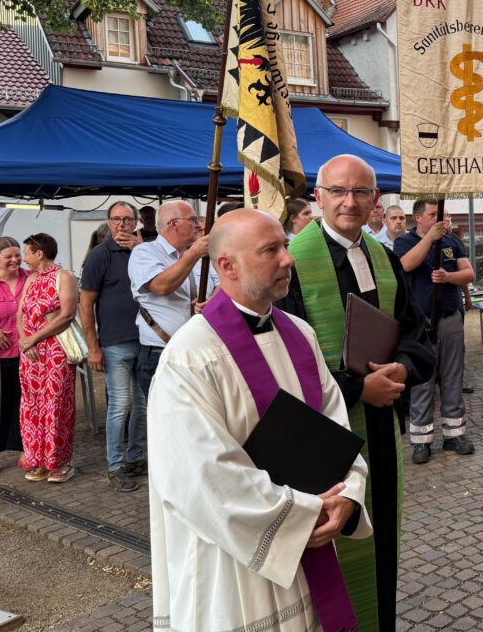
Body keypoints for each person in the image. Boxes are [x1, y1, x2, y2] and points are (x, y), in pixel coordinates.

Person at [147, 208, 371, 631]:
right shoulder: (190, 356)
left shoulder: (300, 334)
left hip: (311, 535)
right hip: (236, 564)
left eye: (285, 246)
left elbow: (336, 428)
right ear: (227, 265)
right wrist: (302, 513)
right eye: (272, 250)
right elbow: (200, 476)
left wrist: (347, 494)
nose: (289, 259)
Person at [285, 154, 434, 632]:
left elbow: (416, 332)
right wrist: (356, 387)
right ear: (318, 196)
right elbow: (282, 363)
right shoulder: (292, 264)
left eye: (360, 192)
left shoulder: (382, 256)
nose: (349, 202)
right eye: (337, 191)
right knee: (330, 552)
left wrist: (403, 368)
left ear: (375, 200)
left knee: (380, 544)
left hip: (380, 429)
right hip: (323, 437)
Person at [396, 200, 476, 464]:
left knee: (453, 376)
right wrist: (430, 239)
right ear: (418, 218)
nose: (441, 219)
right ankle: (421, 441)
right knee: (422, 381)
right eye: (434, 215)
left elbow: (469, 273)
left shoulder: (453, 242)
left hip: (450, 318)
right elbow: (406, 265)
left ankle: (455, 434)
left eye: (444, 215)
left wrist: (449, 278)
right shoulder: (405, 241)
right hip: (421, 323)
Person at [80, 202, 146, 492]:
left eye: (127, 219)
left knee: (143, 405)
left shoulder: (145, 251)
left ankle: (135, 457)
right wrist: (92, 346)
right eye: (116, 219)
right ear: (108, 222)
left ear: (136, 222)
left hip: (146, 340)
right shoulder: (99, 255)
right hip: (115, 342)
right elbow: (86, 303)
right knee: (120, 405)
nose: (122, 224)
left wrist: (140, 250)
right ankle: (115, 465)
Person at [129, 201, 216, 418]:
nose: (197, 225)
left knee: (199, 418)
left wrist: (210, 301)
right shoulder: (144, 252)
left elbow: (222, 283)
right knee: (167, 421)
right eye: (193, 219)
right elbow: (161, 286)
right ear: (173, 223)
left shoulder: (200, 255)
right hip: (160, 353)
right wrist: (193, 254)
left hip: (199, 352)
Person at [17, 232, 78, 483]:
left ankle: (58, 462)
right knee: (31, 406)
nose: (24, 258)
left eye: (27, 253)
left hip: (54, 351)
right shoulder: (30, 279)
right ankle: (37, 460)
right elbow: (20, 313)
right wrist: (24, 340)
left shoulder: (64, 277)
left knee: (56, 405)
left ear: (39, 253)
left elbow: (67, 315)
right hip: (30, 355)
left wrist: (34, 338)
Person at [0, 236, 27, 474]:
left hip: (28, 354)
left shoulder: (30, 278)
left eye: (17, 255)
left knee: (26, 404)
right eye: (8, 256)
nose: (15, 260)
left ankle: (26, 451)